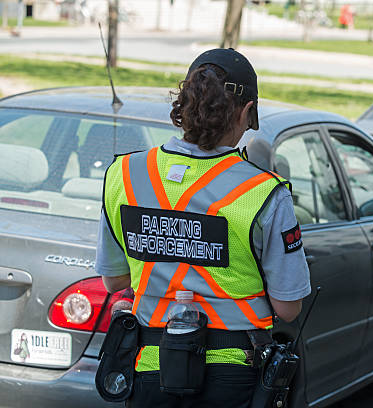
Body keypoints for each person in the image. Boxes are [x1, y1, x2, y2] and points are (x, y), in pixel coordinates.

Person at [95, 48, 311, 408]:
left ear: (184, 105)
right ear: (246, 112)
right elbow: (288, 309)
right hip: (233, 375)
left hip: (150, 365)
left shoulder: (124, 176)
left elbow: (115, 282)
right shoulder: (263, 192)